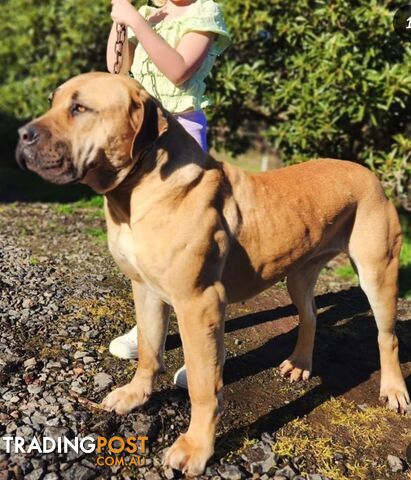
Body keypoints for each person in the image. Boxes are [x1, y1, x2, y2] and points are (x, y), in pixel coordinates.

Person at [106, 0, 230, 387]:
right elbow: (117, 71)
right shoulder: (147, 10)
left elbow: (178, 72)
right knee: (144, 242)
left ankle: (207, 346)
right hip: (142, 135)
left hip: (181, 132)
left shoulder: (205, 13)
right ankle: (148, 331)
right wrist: (120, 22)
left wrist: (136, 20)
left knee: (184, 250)